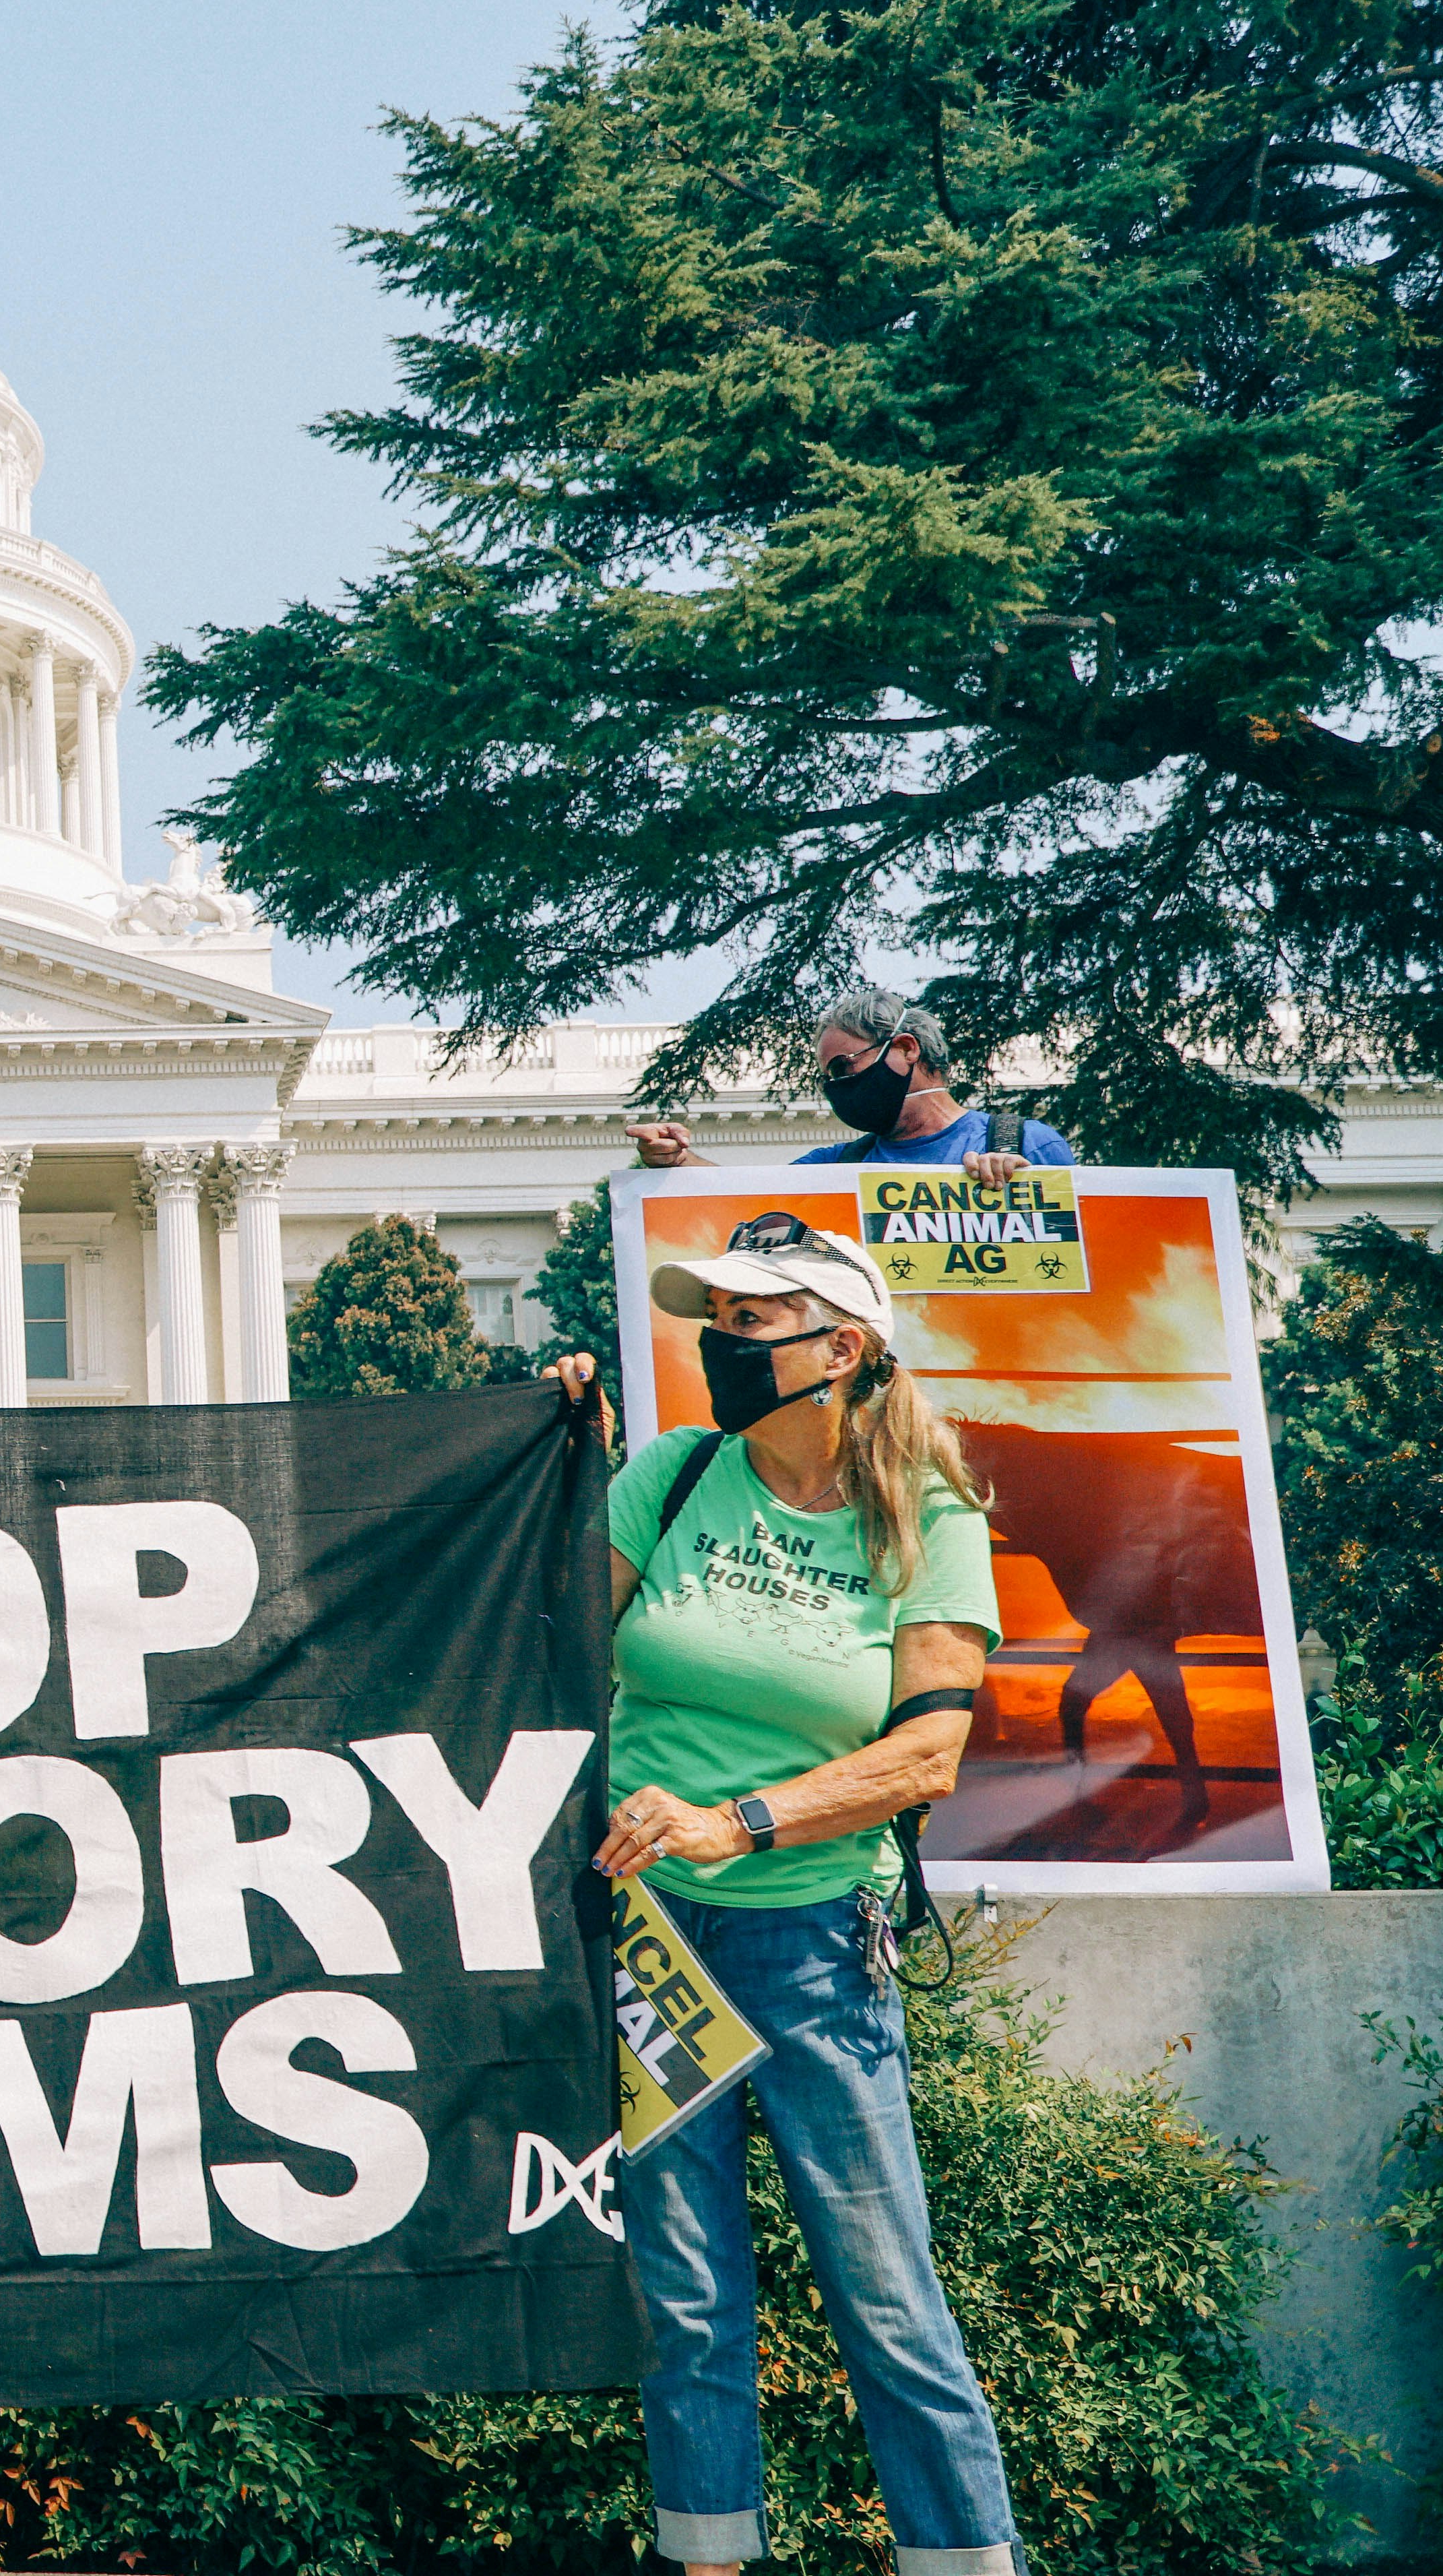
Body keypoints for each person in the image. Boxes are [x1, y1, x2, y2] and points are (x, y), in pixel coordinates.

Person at [580, 1213, 1021, 2576]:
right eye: (714, 1314)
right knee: (687, 2302)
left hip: (820, 1946)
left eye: (753, 1319)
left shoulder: (928, 1515)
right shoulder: (670, 1471)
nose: (720, 1339)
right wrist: (544, 1448)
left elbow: (928, 1749)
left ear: (845, 1346)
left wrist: (735, 1822)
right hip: (651, 1943)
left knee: (889, 2302)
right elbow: (536, 1634)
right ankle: (710, 2558)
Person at [627, 984, 1074, 1187]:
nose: (837, 1088)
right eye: (828, 1078)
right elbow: (746, 1195)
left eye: (843, 1068)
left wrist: (1025, 1192)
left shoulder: (1027, 1144)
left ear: (905, 1049)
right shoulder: (840, 1166)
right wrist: (679, 1160)